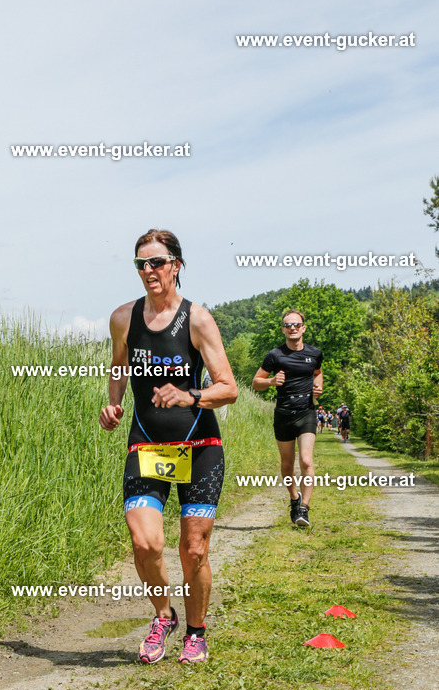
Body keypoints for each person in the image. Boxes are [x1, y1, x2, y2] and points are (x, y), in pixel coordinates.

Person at [99, 229, 237, 664]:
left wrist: (188, 395)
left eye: (156, 262)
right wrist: (114, 403)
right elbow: (119, 365)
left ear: (176, 265)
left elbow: (228, 388)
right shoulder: (123, 317)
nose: (148, 271)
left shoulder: (197, 319)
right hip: (148, 445)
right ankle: (164, 615)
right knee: (145, 543)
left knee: (193, 548)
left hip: (199, 445)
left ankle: (196, 632)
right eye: (141, 264)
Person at [251, 310, 323, 527]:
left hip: (306, 412)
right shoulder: (275, 355)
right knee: (287, 465)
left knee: (306, 461)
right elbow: (256, 382)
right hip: (283, 414)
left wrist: (318, 388)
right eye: (288, 324)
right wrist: (271, 381)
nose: (292, 327)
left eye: (296, 324)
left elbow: (317, 372)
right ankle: (294, 499)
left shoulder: (315, 353)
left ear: (303, 328)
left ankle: (304, 509)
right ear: (283, 329)